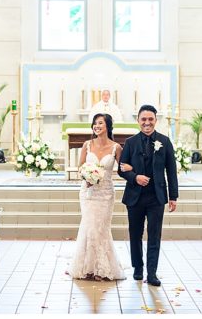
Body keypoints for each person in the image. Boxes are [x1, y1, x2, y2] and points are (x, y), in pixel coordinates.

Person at [117, 105, 178, 287]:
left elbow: (171, 171)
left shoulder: (165, 142)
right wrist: (135, 177)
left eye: (150, 119)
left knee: (154, 235)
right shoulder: (130, 142)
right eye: (143, 119)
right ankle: (138, 267)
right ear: (138, 121)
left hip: (156, 197)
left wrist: (173, 196)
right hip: (135, 197)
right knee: (135, 234)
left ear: (155, 120)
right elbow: (121, 168)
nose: (147, 122)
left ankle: (152, 273)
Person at [68, 113, 125, 281]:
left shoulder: (116, 147)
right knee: (89, 226)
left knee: (101, 228)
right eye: (95, 123)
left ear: (108, 125)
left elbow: (121, 169)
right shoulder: (87, 145)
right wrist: (88, 177)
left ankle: (102, 267)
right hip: (88, 192)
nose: (96, 126)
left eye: (100, 123)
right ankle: (88, 267)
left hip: (106, 193)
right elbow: (80, 168)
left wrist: (130, 169)